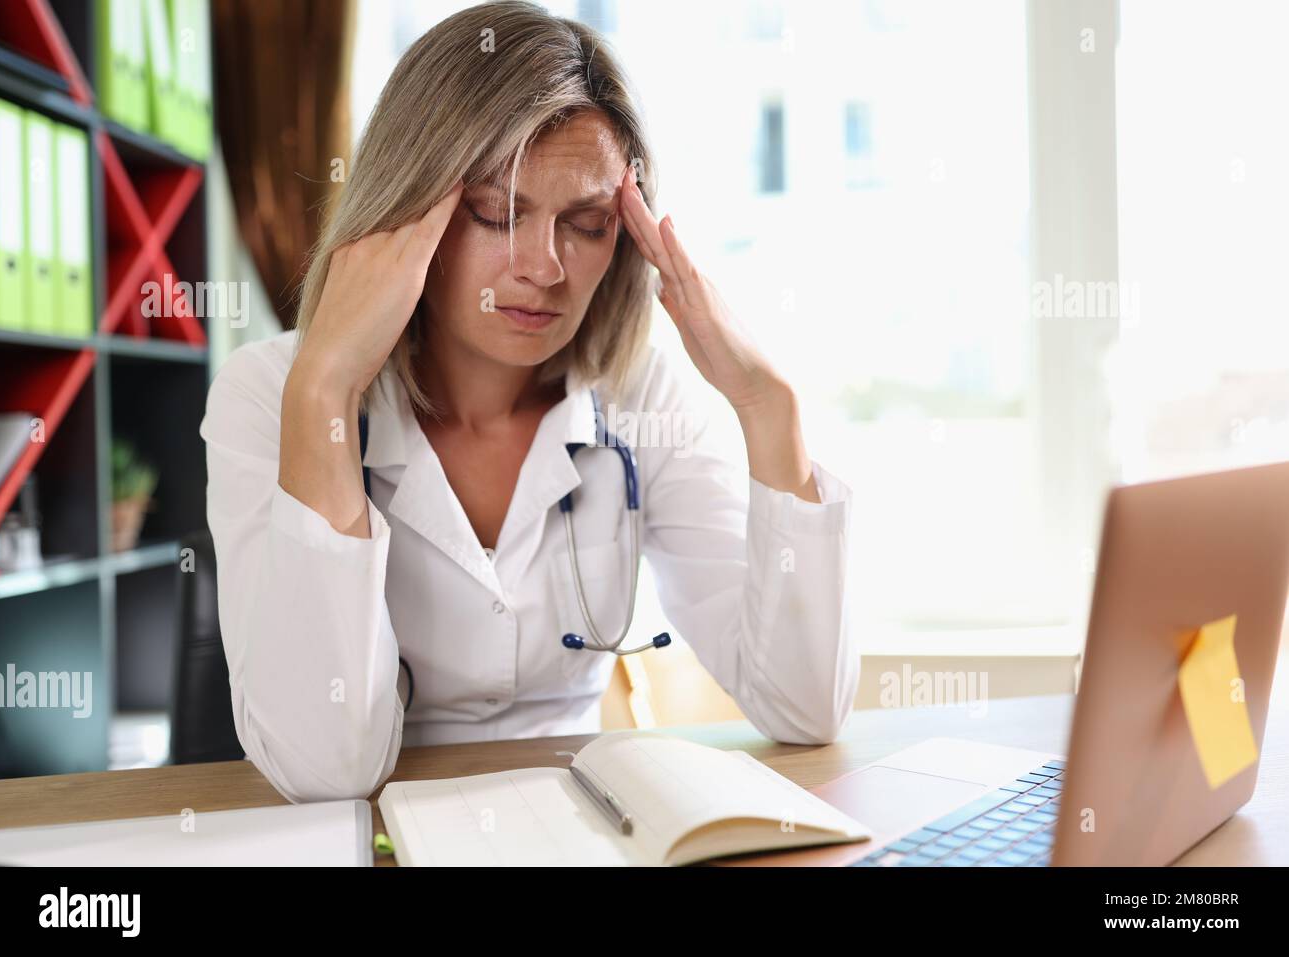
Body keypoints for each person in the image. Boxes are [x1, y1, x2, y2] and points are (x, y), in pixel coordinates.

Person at [199, 0, 859, 804]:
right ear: (406, 209)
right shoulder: (273, 396)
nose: (545, 267)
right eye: (497, 213)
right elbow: (324, 770)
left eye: (586, 223)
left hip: (578, 828)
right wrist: (327, 388)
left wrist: (768, 406)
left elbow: (804, 704)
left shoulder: (636, 396)